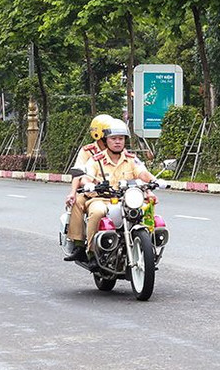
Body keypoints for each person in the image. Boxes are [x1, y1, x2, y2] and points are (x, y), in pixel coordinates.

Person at [79, 119, 157, 269]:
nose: (117, 142)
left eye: (120, 139)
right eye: (113, 139)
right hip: (102, 199)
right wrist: (88, 184)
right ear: (105, 140)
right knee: (97, 212)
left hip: (126, 199)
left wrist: (156, 180)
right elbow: (86, 177)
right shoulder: (97, 160)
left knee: (146, 209)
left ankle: (149, 248)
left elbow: (143, 173)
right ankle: (92, 252)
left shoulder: (131, 159)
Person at [63, 114, 114, 262]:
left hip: (116, 191)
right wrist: (73, 192)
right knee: (77, 202)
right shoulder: (87, 151)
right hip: (92, 190)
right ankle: (80, 245)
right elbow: (78, 173)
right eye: (109, 134)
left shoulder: (119, 150)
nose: (114, 139)